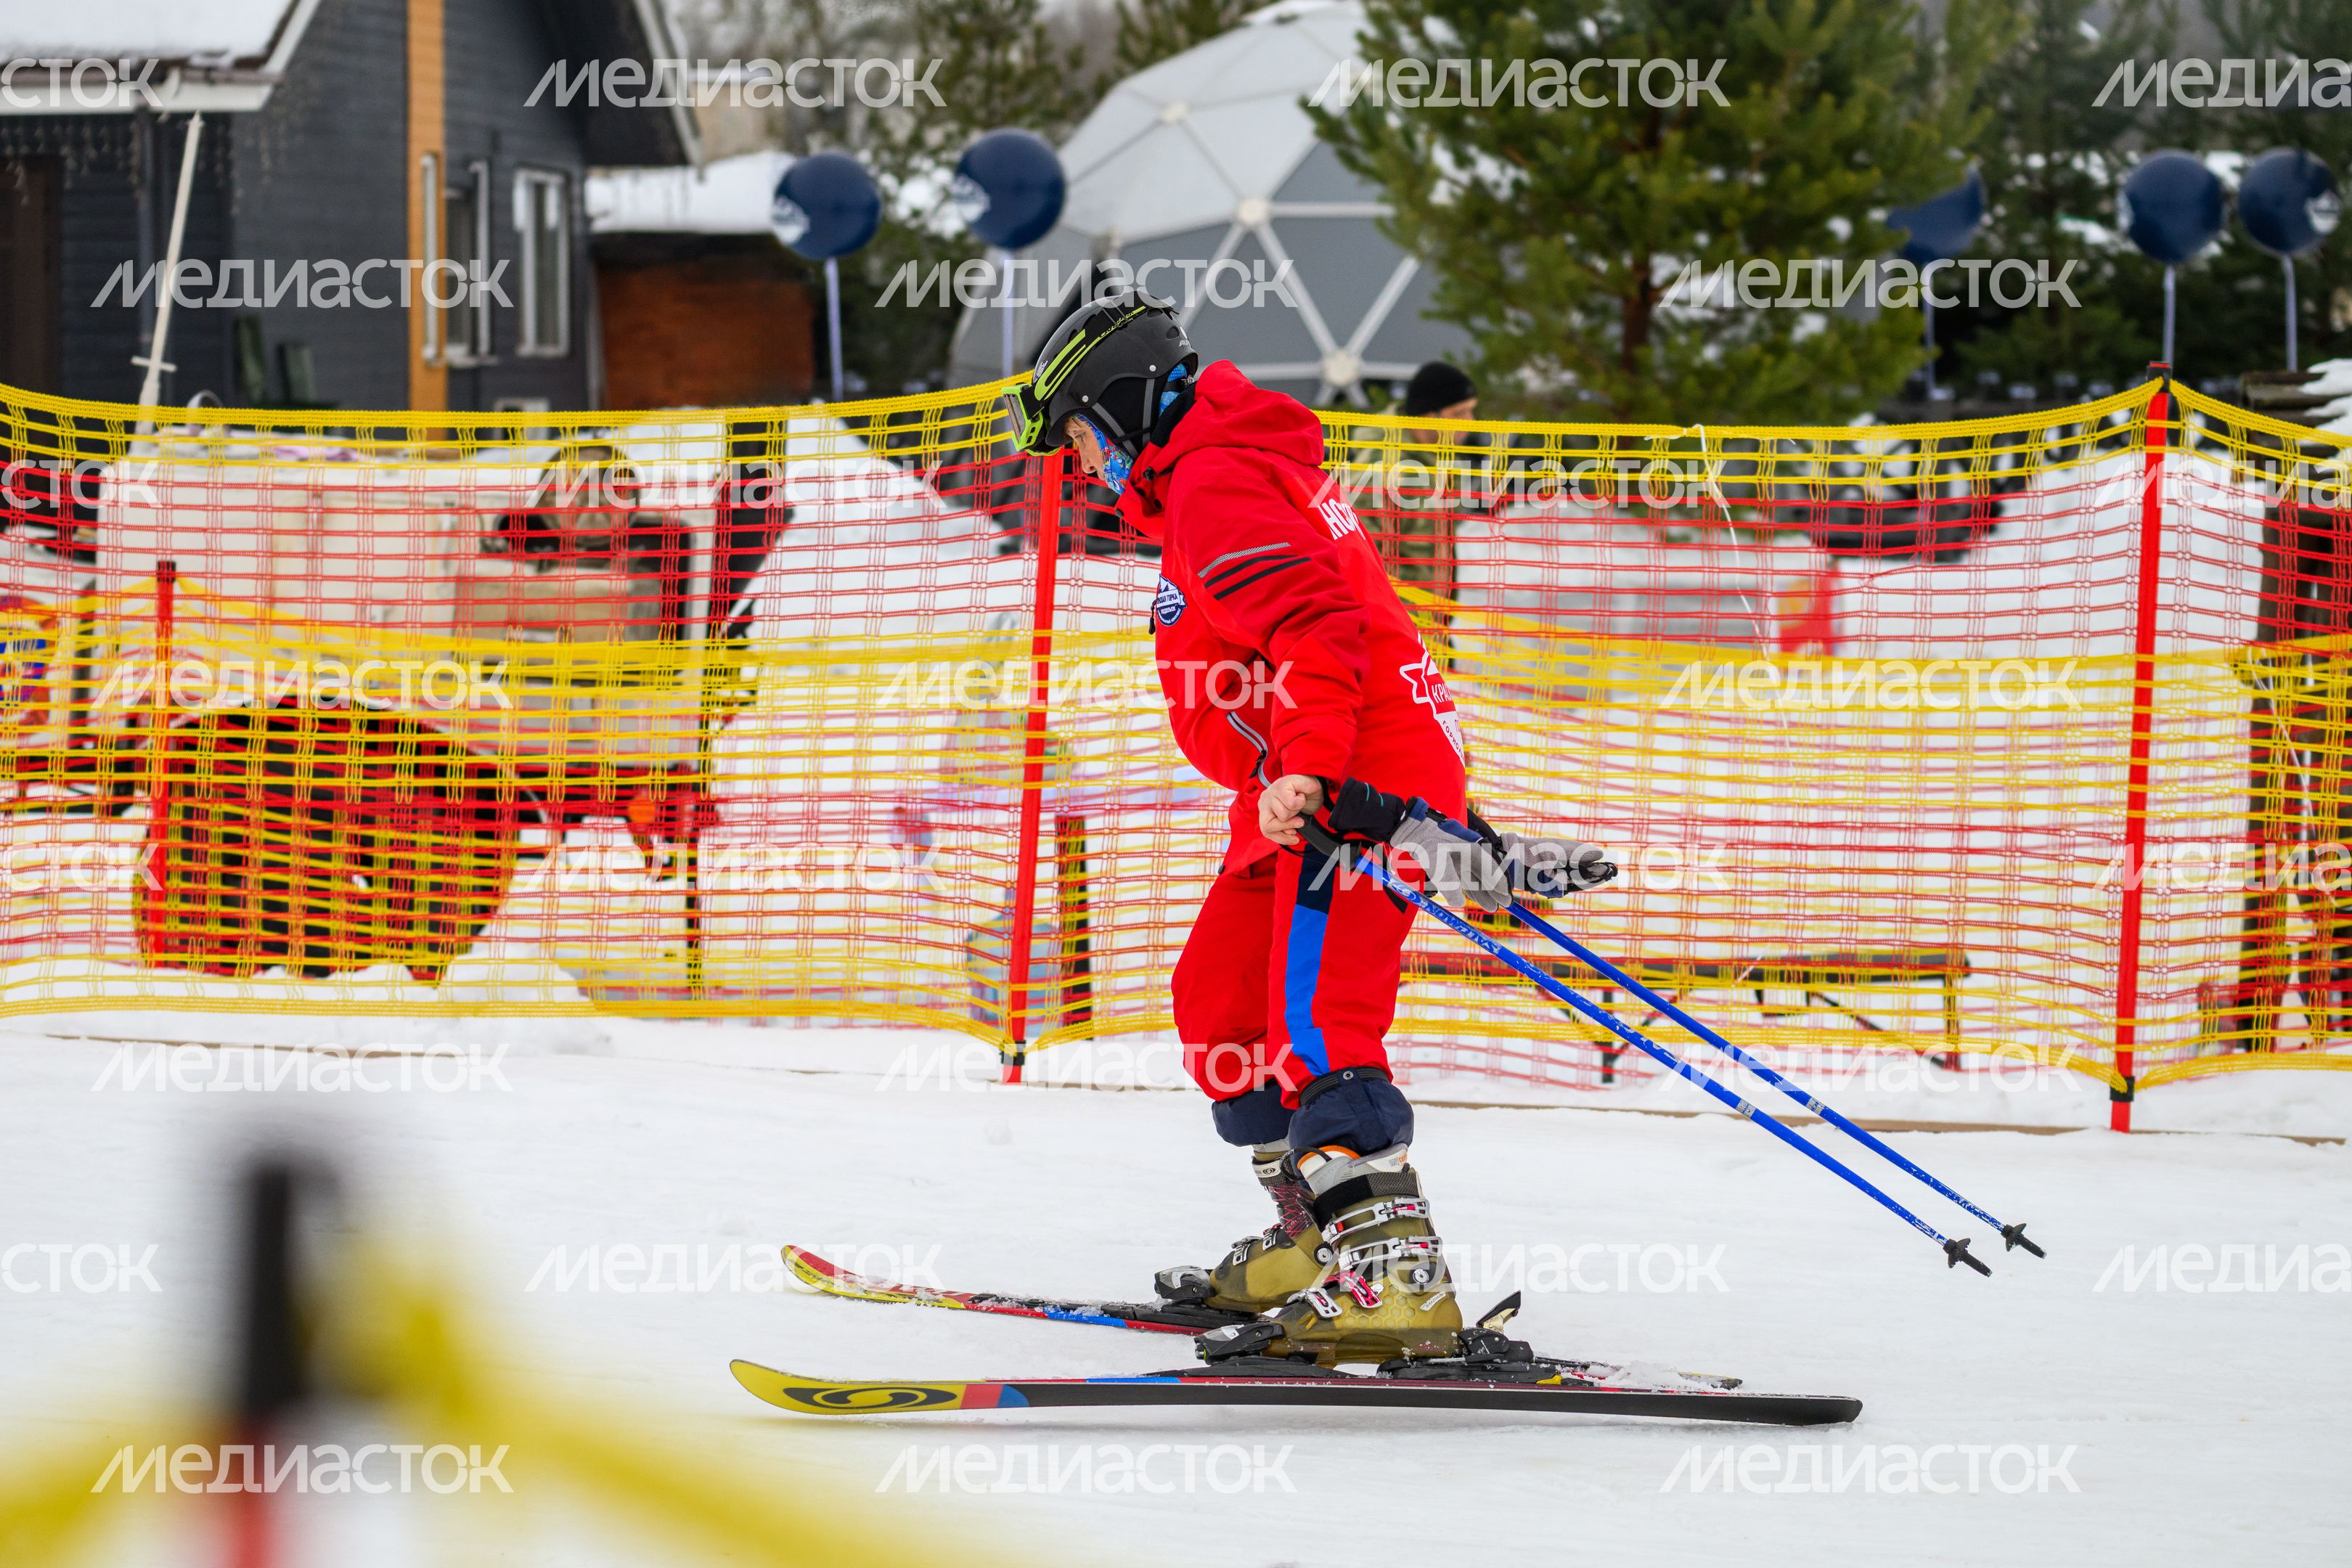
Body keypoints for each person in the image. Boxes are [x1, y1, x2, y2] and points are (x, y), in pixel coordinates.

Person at [1004, 292, 1612, 1366]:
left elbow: (1322, 627)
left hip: (1340, 775)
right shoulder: (1205, 473)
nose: (1089, 467)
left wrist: (1318, 770)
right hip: (1300, 776)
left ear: (1129, 404)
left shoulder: (1214, 480)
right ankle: (1316, 1240)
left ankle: (1395, 1283)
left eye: (1089, 438)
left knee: (1318, 1017)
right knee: (1225, 1002)